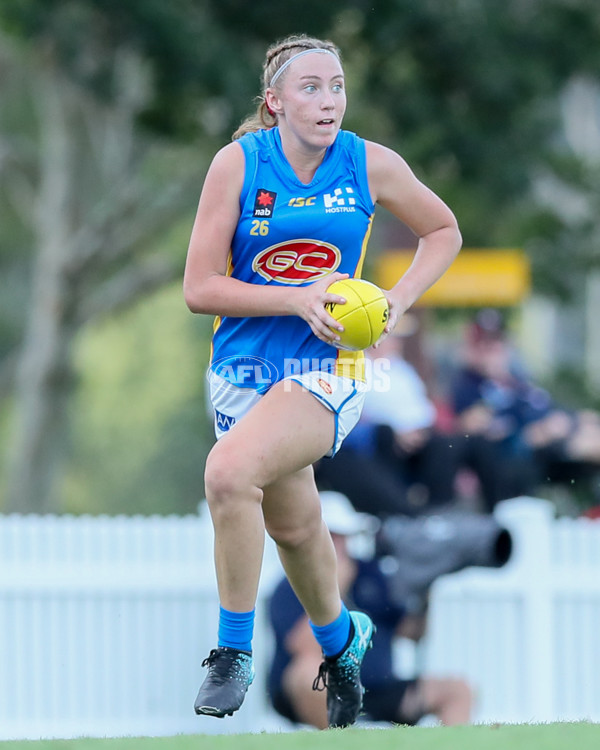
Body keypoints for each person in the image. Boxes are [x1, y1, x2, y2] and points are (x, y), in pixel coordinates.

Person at [182, 33, 462, 727]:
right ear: (274, 102)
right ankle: (343, 643)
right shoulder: (239, 165)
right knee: (297, 527)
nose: (328, 99)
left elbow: (443, 231)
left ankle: (232, 652)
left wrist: (394, 302)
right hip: (241, 374)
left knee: (226, 476)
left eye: (336, 85)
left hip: (325, 370)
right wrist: (296, 296)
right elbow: (199, 287)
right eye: (310, 87)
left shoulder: (369, 163)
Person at [267, 491, 473, 728]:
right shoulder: (291, 584)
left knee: (458, 690)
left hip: (376, 689)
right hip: (319, 691)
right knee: (306, 672)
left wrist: (425, 590)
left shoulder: (370, 574)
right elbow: (302, 647)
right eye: (329, 537)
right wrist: (333, 588)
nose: (336, 545)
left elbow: (410, 631)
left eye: (341, 537)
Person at [316, 327, 507, 515]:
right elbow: (357, 414)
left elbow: (425, 409)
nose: (398, 342)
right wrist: (400, 433)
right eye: (393, 337)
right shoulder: (355, 367)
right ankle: (428, 515)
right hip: (383, 442)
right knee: (411, 442)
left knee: (466, 444)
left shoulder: (402, 368)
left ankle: (476, 511)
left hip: (420, 436)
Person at [451, 308, 600, 500]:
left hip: (556, 435)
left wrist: (575, 419)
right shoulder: (468, 384)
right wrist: (536, 431)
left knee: (591, 427)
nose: (493, 349)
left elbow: (545, 406)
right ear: (473, 346)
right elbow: (470, 426)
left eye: (497, 341)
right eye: (485, 344)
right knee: (588, 443)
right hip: (523, 449)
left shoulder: (518, 379)